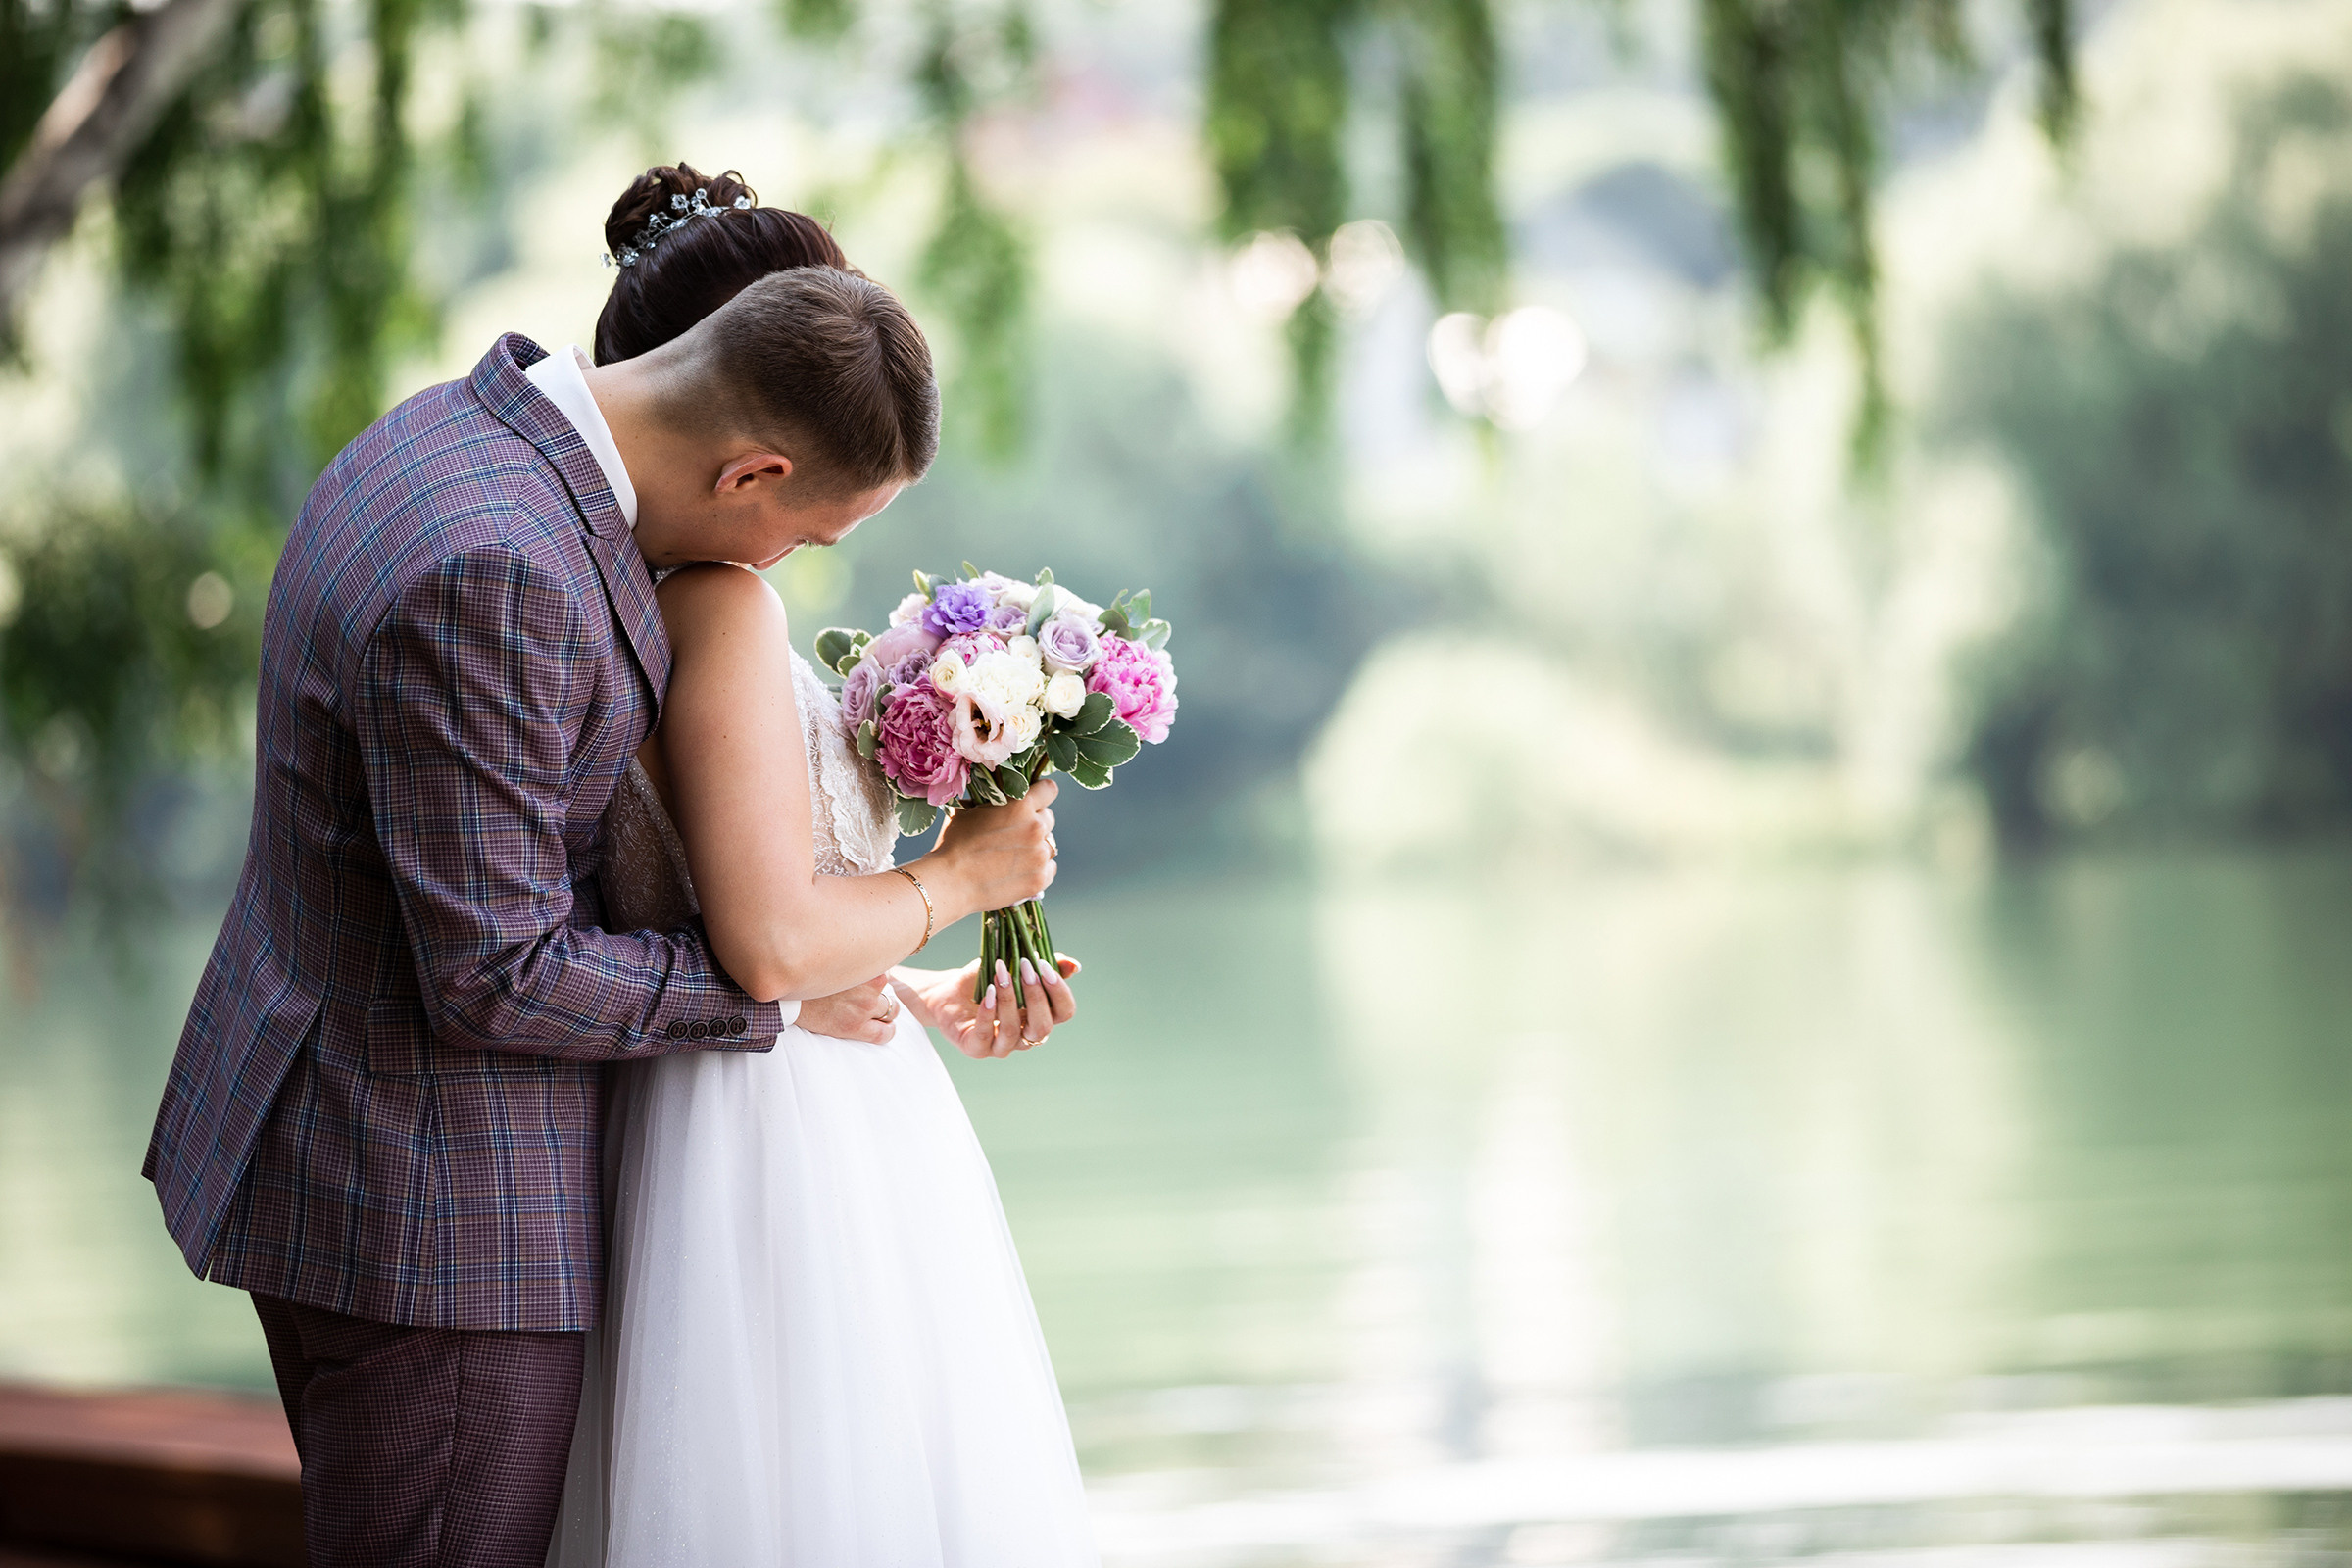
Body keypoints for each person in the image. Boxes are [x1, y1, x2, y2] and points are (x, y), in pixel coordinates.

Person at [141, 161, 1064, 1567]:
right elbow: (500, 973)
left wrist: (863, 966)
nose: (785, 562)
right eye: (809, 529)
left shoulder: (453, 436)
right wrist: (787, 985)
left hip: (355, 1143)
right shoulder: (502, 569)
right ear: (752, 471)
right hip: (430, 1212)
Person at [543, 166, 1099, 1566]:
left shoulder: (641, 597)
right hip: (773, 1142)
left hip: (795, 1096)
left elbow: (706, 900)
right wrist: (964, 877)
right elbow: (770, 943)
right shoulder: (718, 607)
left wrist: (909, 986)